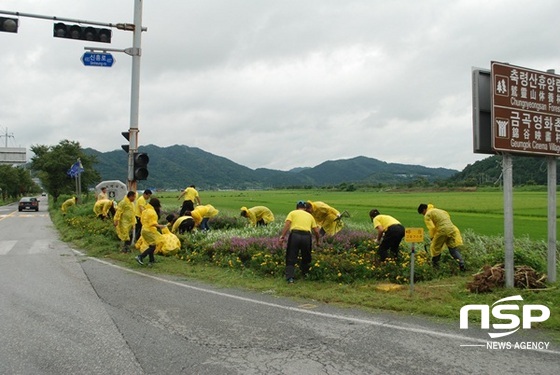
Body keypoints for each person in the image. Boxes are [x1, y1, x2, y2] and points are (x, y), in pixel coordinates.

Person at [279, 201, 321, 284]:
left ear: (296, 207)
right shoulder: (310, 216)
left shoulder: (292, 213)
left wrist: (282, 236)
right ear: (305, 208)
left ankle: (290, 278)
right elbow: (316, 231)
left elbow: (287, 225)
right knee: (306, 256)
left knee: (291, 256)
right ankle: (305, 275)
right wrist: (317, 241)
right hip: (306, 237)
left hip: (295, 235)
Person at [417, 203, 466, 271]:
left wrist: (432, 237)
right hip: (452, 229)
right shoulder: (439, 210)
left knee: (434, 247)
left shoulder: (427, 214)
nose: (423, 214)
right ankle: (461, 264)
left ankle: (435, 267)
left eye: (422, 213)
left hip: (443, 230)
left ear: (424, 209)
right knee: (453, 248)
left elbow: (432, 228)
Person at [136, 197, 167, 266]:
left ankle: (151, 260)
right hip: (149, 230)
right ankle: (141, 256)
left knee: (152, 245)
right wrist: (161, 226)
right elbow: (153, 223)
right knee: (154, 245)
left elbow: (142, 220)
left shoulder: (146, 210)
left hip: (144, 230)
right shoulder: (152, 212)